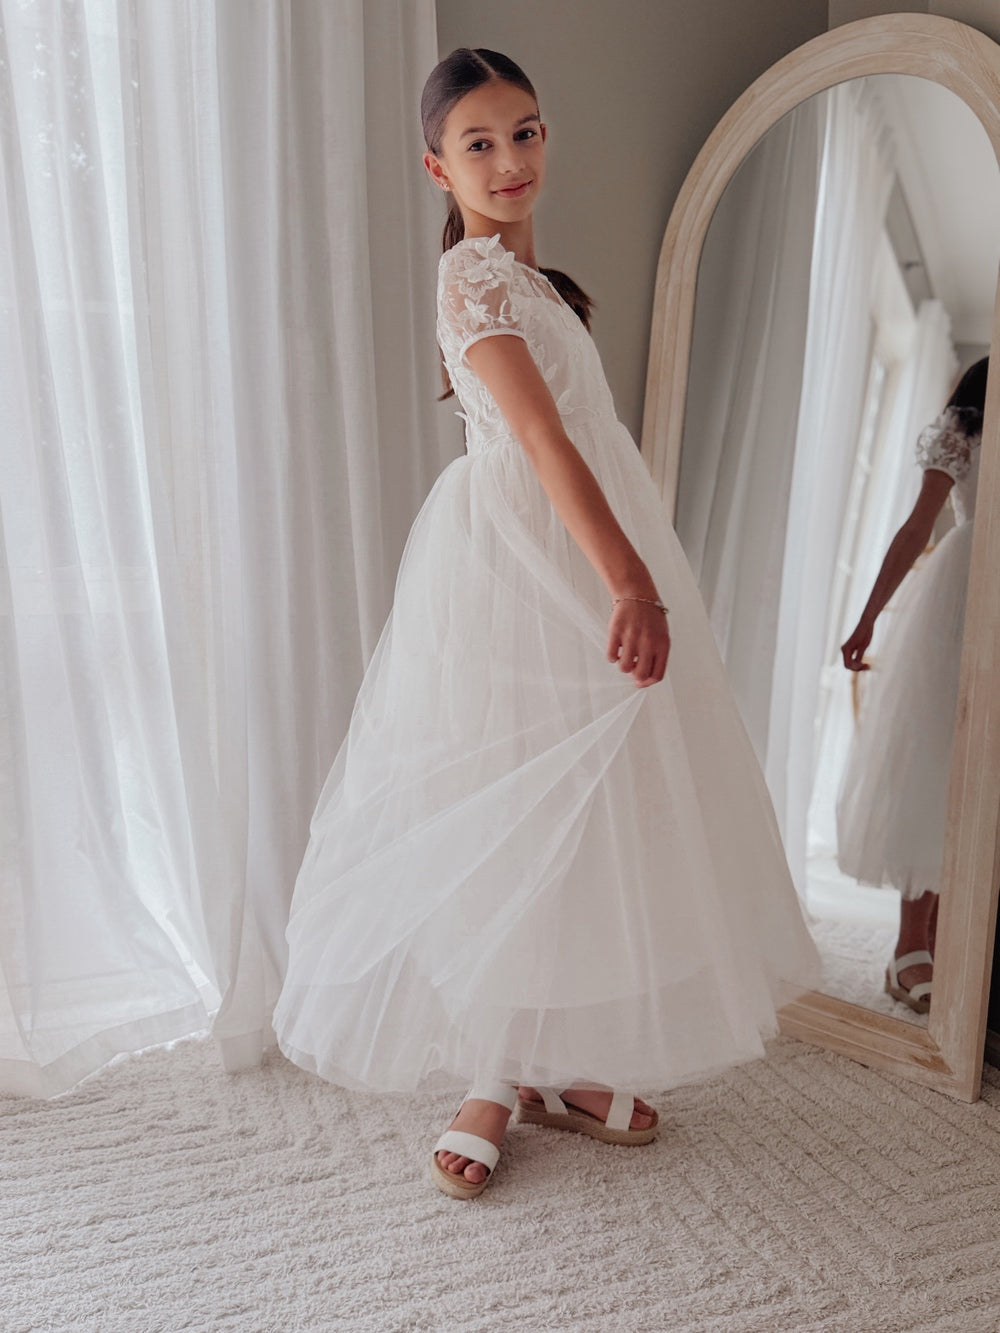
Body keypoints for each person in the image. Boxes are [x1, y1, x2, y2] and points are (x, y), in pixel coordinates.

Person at [273, 47, 820, 1200]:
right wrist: (630, 580)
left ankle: (554, 1059)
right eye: (478, 143)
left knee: (591, 803)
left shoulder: (541, 284)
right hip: (518, 565)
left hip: (581, 546)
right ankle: (489, 1074)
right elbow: (539, 440)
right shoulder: (469, 280)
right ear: (438, 167)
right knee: (513, 794)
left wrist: (624, 563)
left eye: (524, 132)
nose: (510, 159)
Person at [837, 356, 989, 1015]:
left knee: (984, 775)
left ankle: (958, 939)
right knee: (936, 760)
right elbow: (917, 526)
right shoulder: (964, 429)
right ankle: (910, 944)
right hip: (966, 593)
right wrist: (868, 617)